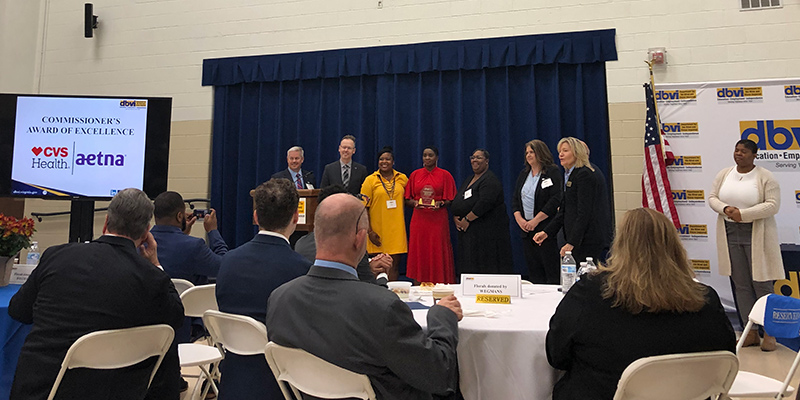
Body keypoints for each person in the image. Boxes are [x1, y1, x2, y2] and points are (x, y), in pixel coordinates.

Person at [266, 193, 463, 400]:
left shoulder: (279, 299)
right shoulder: (382, 307)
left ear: (317, 235)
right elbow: (440, 375)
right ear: (360, 238)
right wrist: (442, 316)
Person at [8, 188, 184, 400]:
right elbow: (176, 317)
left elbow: (18, 311)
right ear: (147, 232)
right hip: (114, 392)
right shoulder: (151, 277)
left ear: (106, 221)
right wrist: (155, 264)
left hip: (40, 391)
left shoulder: (55, 256)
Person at [546, 208, 736, 400]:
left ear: (620, 244)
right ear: (675, 246)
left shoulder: (590, 292)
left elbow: (557, 355)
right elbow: (725, 356)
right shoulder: (706, 299)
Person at [214, 178, 312, 400]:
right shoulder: (303, 270)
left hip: (232, 380)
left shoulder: (228, 261)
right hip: (282, 384)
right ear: (295, 217)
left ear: (256, 216)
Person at [708, 138, 783, 352]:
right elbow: (712, 197)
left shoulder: (765, 177)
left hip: (756, 234)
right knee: (740, 284)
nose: (738, 154)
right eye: (736, 150)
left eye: (744, 151)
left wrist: (744, 214)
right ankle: (750, 332)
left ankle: (770, 334)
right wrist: (726, 209)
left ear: (754, 155)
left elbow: (772, 205)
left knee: (762, 284)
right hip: (730, 232)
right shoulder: (724, 174)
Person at [533, 136, 611, 264]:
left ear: (576, 153)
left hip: (587, 239)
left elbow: (584, 212)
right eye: (560, 151)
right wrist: (546, 232)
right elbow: (564, 210)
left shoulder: (585, 174)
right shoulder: (571, 175)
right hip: (576, 237)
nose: (561, 154)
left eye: (565, 151)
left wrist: (572, 243)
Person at [295, 184, 392, 286]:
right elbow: (370, 289)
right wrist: (382, 275)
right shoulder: (353, 243)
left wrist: (368, 267)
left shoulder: (301, 243)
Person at [452, 149, 513, 275]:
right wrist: (456, 217)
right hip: (469, 234)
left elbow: (485, 203)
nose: (475, 160)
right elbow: (459, 200)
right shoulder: (469, 179)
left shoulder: (490, 180)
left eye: (479, 157)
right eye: (473, 157)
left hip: (486, 234)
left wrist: (467, 219)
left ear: (486, 161)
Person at [511, 140, 563, 283]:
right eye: (527, 152)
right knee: (534, 270)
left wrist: (535, 221)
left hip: (545, 227)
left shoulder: (552, 172)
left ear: (540, 152)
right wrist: (520, 220)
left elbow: (555, 199)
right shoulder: (524, 174)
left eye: (532, 152)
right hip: (526, 229)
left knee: (550, 269)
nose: (528, 155)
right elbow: (515, 199)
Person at [151, 191, 228, 286]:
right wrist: (213, 231)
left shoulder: (141, 242)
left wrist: (183, 234)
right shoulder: (195, 246)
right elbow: (225, 267)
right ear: (179, 216)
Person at [404, 146, 457, 284]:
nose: (427, 158)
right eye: (425, 155)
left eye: (430, 155)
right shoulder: (415, 175)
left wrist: (441, 203)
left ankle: (440, 283)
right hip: (419, 219)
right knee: (419, 250)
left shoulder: (445, 175)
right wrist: (414, 203)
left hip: (437, 219)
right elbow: (407, 199)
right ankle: (418, 283)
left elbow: (450, 199)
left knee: (437, 249)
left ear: (437, 157)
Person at [361, 146, 408, 281]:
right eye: (381, 159)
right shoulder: (370, 180)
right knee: (378, 267)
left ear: (393, 162)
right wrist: (369, 231)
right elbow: (363, 208)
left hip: (396, 231)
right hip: (377, 232)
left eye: (387, 159)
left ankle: (391, 292)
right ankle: (377, 291)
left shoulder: (402, 178)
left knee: (393, 266)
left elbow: (410, 198)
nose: (384, 162)